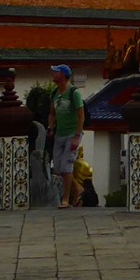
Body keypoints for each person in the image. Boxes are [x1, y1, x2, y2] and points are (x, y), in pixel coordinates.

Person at [48, 64, 84, 208]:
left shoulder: (73, 93)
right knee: (58, 167)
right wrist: (51, 127)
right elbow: (52, 113)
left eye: (56, 72)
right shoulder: (55, 93)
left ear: (62, 75)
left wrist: (77, 136)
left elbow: (81, 116)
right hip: (60, 133)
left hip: (72, 133)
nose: (53, 74)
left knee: (66, 166)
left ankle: (66, 199)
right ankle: (77, 188)